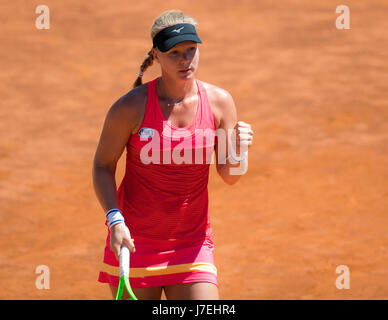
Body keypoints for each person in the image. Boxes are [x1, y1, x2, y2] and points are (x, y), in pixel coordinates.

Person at [93, 9, 254, 300]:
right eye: (174, 53)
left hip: (192, 245)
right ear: (156, 55)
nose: (185, 60)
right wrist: (115, 221)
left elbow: (229, 176)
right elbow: (103, 165)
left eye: (191, 50)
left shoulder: (220, 102)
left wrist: (240, 151)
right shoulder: (130, 108)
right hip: (134, 243)